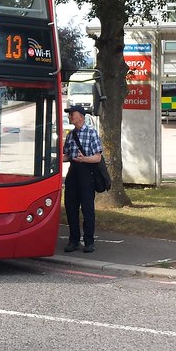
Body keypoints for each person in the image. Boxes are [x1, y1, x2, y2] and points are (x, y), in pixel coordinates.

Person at [63, 105, 103, 253]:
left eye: (72, 114)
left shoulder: (92, 133)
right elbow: (67, 155)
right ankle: (73, 240)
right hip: (73, 173)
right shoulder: (70, 134)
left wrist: (84, 159)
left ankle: (89, 242)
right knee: (70, 207)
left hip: (87, 174)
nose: (70, 117)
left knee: (87, 209)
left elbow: (98, 157)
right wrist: (55, 160)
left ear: (81, 116)